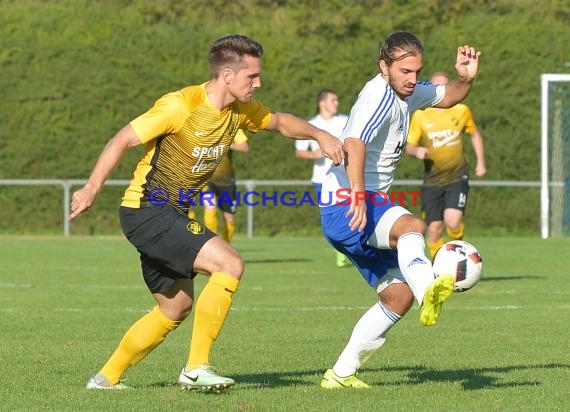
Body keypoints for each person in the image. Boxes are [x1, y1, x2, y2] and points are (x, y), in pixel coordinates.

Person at [69, 34, 344, 392]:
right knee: (230, 263)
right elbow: (121, 139)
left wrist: (320, 134)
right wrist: (91, 187)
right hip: (148, 209)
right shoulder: (180, 105)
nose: (258, 83)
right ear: (227, 76)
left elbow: (279, 123)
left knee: (175, 309)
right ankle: (196, 368)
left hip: (171, 212)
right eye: (252, 76)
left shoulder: (240, 111)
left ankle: (105, 379)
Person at [318, 31, 481, 389]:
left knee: (396, 296)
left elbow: (449, 96)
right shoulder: (376, 97)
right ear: (384, 66)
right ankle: (429, 292)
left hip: (355, 204)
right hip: (346, 202)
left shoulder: (407, 91)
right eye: (404, 71)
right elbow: (354, 142)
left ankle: (341, 374)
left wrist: (465, 77)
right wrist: (359, 194)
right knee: (410, 223)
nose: (412, 78)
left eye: (416, 70)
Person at [406, 72, 486, 258]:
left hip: (457, 175)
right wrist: (416, 151)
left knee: (453, 221)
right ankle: (438, 266)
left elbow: (474, 134)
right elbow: (409, 145)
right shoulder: (421, 114)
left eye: (444, 87)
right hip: (432, 179)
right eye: (436, 88)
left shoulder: (461, 110)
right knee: (433, 229)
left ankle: (460, 254)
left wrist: (480, 161)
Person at [295, 89, 351, 267]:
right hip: (321, 180)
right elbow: (299, 151)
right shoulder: (311, 125)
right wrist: (316, 154)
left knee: (350, 214)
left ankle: (351, 248)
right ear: (322, 103)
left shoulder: (345, 121)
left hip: (345, 177)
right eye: (333, 100)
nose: (337, 103)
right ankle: (340, 251)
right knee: (331, 218)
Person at [203, 128, 249, 242]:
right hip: (208, 179)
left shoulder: (233, 128)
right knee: (210, 208)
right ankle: (211, 244)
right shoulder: (204, 126)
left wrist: (227, 144)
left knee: (229, 219)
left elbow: (245, 147)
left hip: (227, 182)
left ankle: (226, 246)